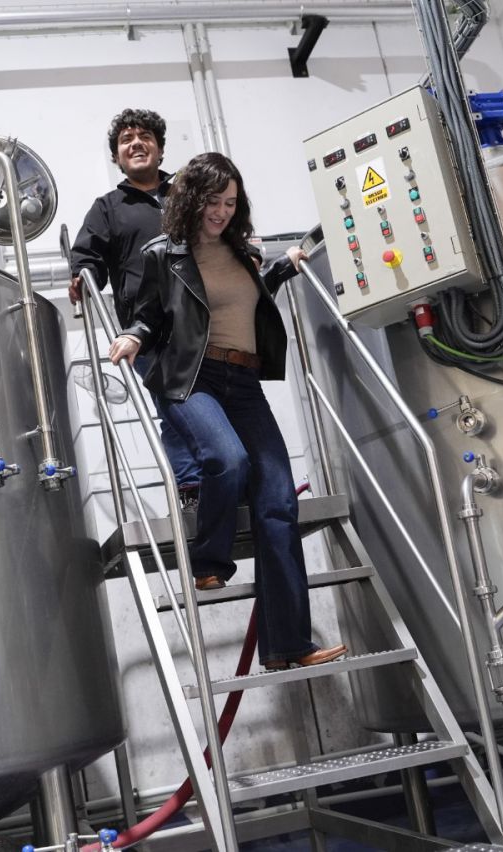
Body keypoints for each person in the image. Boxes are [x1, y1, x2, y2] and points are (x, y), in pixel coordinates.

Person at [108, 152, 348, 671]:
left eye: (231, 203)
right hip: (192, 377)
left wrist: (283, 266)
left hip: (244, 383)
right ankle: (209, 562)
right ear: (192, 199)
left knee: (278, 502)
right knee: (227, 459)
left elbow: (250, 297)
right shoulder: (163, 254)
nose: (221, 211)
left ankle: (288, 645)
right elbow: (149, 315)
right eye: (213, 201)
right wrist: (133, 336)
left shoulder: (242, 251)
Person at [70, 108, 201, 503]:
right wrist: (82, 278)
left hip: (204, 319)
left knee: (222, 400)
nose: (136, 143)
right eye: (126, 140)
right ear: (117, 157)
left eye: (145, 137)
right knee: (175, 407)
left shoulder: (187, 194)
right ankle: (192, 486)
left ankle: (233, 479)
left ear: (160, 149)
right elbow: (87, 257)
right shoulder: (109, 207)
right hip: (149, 332)